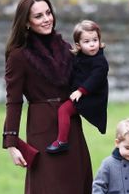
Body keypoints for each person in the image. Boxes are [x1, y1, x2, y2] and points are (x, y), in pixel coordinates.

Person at [2, 0, 93, 194]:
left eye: (48, 13)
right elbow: (13, 101)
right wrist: (11, 143)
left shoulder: (64, 47)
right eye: (38, 16)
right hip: (43, 133)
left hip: (71, 127)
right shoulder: (18, 55)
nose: (46, 19)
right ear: (26, 22)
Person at [46, 19, 109, 154]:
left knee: (64, 110)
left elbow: (95, 79)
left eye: (95, 40)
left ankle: (62, 141)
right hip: (80, 93)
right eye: (87, 41)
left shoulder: (100, 62)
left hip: (91, 98)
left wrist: (81, 91)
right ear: (78, 45)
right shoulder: (79, 57)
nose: (92, 44)